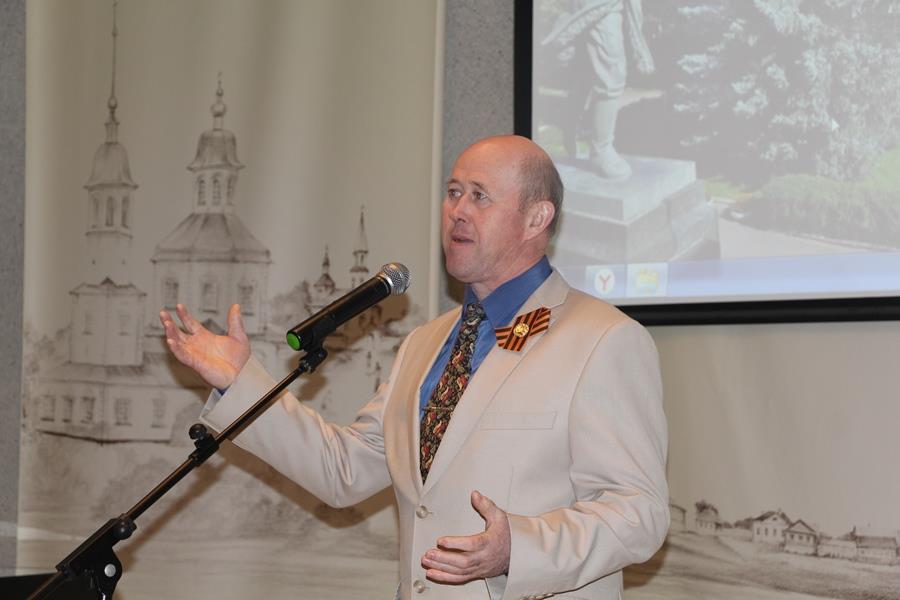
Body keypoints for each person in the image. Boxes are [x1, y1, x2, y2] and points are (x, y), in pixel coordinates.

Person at [160, 135, 668, 600]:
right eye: (453, 193)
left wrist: (519, 548)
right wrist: (240, 382)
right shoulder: (424, 345)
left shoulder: (602, 339)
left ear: (537, 219)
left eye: (479, 196)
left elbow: (638, 513)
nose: (457, 212)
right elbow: (342, 471)